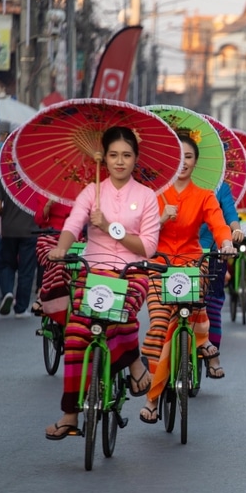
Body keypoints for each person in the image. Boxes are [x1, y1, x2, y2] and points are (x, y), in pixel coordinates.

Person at [44, 126, 161, 440]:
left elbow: (148, 247)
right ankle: (70, 413)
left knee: (117, 315)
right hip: (94, 272)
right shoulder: (90, 192)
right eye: (113, 155)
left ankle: (133, 360)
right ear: (104, 158)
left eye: (126, 155)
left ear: (136, 158)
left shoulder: (147, 196)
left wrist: (110, 227)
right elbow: (72, 224)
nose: (119, 161)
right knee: (75, 332)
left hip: (132, 273)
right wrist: (62, 247)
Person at [139, 130, 235, 424]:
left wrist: (227, 242)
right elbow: (140, 232)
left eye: (189, 157)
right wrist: (161, 218)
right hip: (158, 264)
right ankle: (152, 400)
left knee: (192, 301)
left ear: (195, 163)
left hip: (193, 263)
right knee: (158, 324)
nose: (183, 162)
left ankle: (200, 338)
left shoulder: (205, 195)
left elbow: (218, 224)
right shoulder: (152, 195)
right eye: (178, 156)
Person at [198, 181, 244, 352]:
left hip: (212, 250)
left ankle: (212, 353)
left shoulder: (219, 188)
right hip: (178, 255)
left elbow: (228, 215)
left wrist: (236, 230)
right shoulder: (171, 187)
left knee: (212, 302)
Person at [0, 175, 38, 318]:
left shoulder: (4, 176)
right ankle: (21, 308)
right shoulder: (36, 178)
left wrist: (6, 215)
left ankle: (7, 292)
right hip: (30, 229)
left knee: (6, 264)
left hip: (8, 229)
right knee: (26, 270)